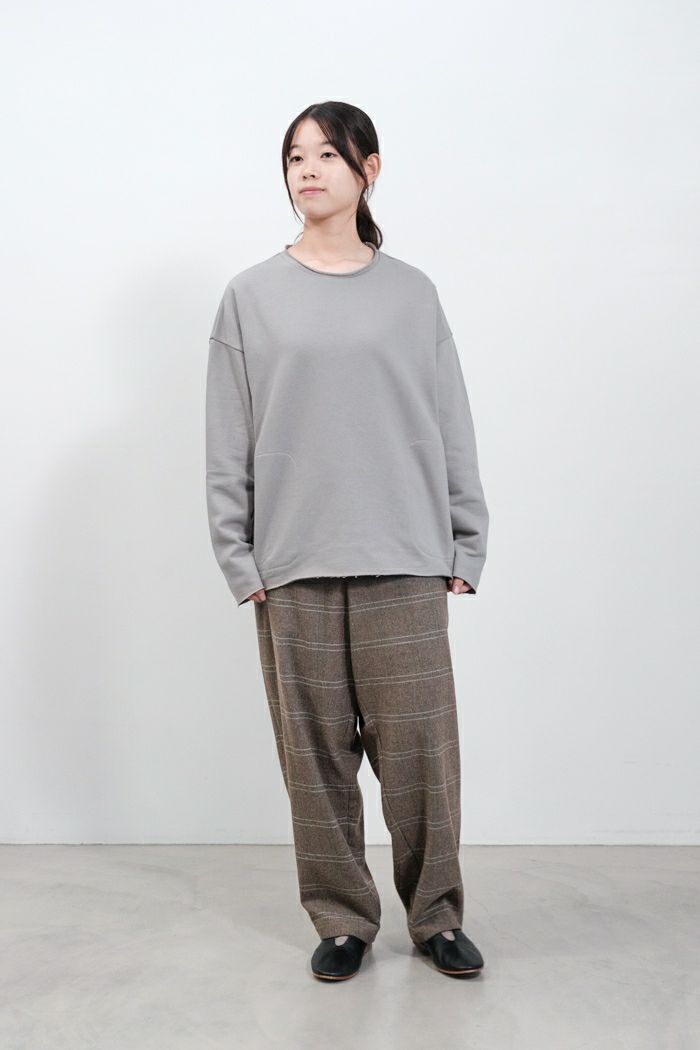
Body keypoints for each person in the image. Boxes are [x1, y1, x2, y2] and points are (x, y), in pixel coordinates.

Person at [205, 101, 489, 981]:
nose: (308, 170)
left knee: (422, 759)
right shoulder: (251, 296)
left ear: (370, 168)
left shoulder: (412, 293)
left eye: (328, 153)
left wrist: (466, 540)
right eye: (295, 156)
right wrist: (238, 557)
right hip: (293, 565)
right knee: (315, 761)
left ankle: (437, 916)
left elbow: (449, 421)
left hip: (405, 555)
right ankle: (342, 921)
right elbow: (228, 435)